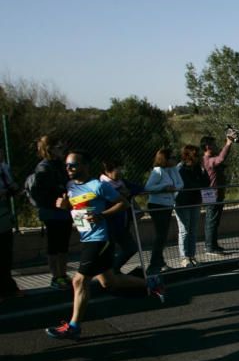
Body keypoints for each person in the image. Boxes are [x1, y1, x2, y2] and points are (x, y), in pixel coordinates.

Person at [45, 151, 162, 340]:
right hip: (86, 238)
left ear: (84, 166)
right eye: (66, 165)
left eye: (73, 165)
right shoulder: (70, 186)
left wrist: (102, 215)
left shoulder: (98, 186)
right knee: (109, 281)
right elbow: (77, 210)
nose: (68, 169)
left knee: (78, 281)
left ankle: (74, 326)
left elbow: (123, 204)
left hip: (100, 239)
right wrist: (66, 206)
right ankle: (151, 282)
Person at [30, 136, 72, 289]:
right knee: (54, 244)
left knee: (64, 244)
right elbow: (46, 191)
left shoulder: (60, 165)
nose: (61, 150)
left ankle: (63, 273)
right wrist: (61, 190)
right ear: (50, 149)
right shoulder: (44, 167)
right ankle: (56, 276)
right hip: (52, 212)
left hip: (65, 210)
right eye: (58, 148)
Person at [143, 148, 182, 274]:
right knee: (160, 235)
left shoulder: (171, 170)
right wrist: (164, 187)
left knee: (163, 235)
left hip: (167, 204)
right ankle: (154, 264)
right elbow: (148, 187)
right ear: (165, 159)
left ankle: (160, 262)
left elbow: (180, 184)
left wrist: (173, 186)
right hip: (157, 205)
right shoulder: (158, 171)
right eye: (172, 157)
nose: (174, 160)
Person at [99, 159, 139, 274]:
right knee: (109, 250)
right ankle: (110, 273)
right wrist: (118, 194)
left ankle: (114, 270)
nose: (121, 172)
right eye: (118, 169)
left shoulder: (122, 182)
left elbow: (139, 188)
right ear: (108, 171)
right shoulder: (101, 185)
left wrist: (128, 192)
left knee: (130, 248)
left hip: (123, 223)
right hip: (109, 223)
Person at [200, 134, 233, 255]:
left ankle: (213, 244)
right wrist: (228, 144)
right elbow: (221, 159)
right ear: (208, 146)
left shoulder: (207, 159)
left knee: (214, 219)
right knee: (211, 220)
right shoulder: (208, 160)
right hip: (211, 193)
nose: (215, 146)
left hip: (215, 193)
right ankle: (210, 247)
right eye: (213, 144)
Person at [174, 145, 206, 268]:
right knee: (184, 231)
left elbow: (205, 183)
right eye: (196, 154)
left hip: (195, 201)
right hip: (183, 202)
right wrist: (197, 184)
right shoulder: (180, 168)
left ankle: (191, 255)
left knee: (193, 230)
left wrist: (203, 170)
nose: (199, 157)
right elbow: (186, 185)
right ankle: (184, 257)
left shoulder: (197, 168)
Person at [0, 148, 20, 300]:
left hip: (4, 218)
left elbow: (14, 188)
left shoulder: (4, 168)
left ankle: (8, 287)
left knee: (6, 255)